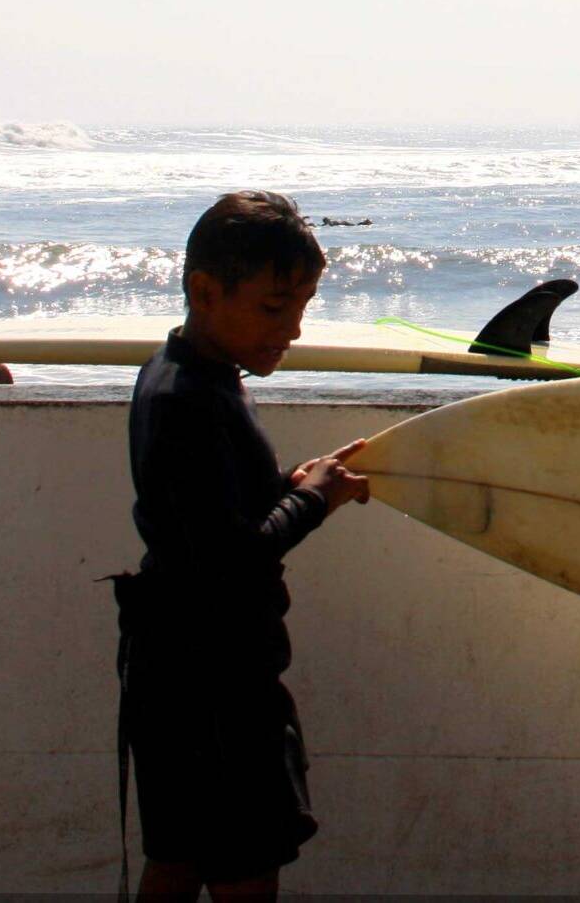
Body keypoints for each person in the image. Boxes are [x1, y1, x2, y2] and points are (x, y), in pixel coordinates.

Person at [114, 191, 370, 901]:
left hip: (171, 666)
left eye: (302, 307)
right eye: (272, 307)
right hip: (213, 679)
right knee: (243, 873)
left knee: (179, 859)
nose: (290, 328)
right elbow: (234, 558)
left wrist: (292, 484)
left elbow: (206, 518)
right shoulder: (189, 400)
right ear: (204, 289)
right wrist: (312, 498)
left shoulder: (184, 371)